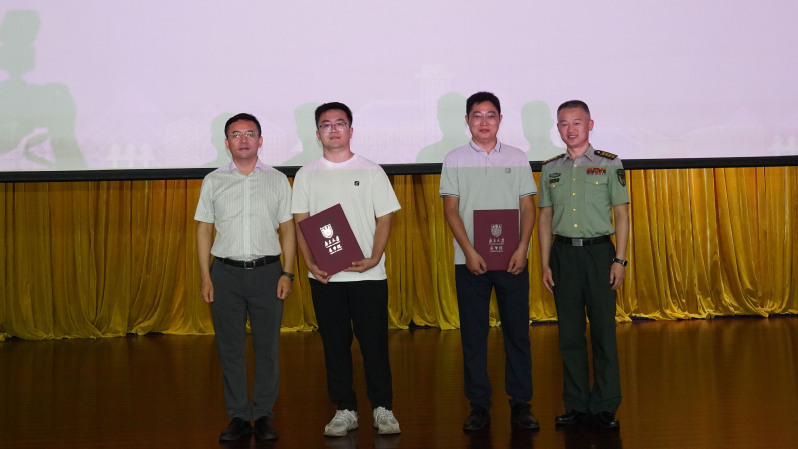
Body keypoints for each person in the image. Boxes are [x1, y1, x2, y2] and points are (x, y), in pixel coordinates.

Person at [292, 102, 402, 437]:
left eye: (340, 123)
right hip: (326, 277)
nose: (333, 129)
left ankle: (383, 408)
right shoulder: (306, 174)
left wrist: (375, 257)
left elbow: (386, 217)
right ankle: (345, 409)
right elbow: (300, 221)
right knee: (334, 346)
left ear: (351, 130)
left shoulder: (371, 170)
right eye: (326, 124)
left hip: (368, 274)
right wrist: (309, 262)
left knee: (374, 344)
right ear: (317, 133)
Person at [439, 91, 540, 431]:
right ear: (467, 120)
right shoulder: (454, 158)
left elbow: (527, 207)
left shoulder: (517, 157)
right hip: (470, 261)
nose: (484, 122)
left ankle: (521, 403)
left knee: (517, 334)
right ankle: (479, 406)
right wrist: (469, 251)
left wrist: (523, 248)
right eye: (477, 115)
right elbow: (450, 210)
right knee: (474, 336)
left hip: (513, 260)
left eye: (490, 115)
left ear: (500, 120)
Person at [195, 113, 296, 441]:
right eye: (236, 134)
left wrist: (288, 272)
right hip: (224, 274)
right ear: (227, 143)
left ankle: (263, 414)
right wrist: (205, 276)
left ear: (260, 140)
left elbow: (288, 229)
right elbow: (204, 229)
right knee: (230, 349)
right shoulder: (213, 180)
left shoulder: (277, 180)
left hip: (268, 273)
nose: (243, 139)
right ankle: (238, 416)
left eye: (250, 133)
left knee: (268, 349)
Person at [537, 100, 630, 430]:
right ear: (558, 128)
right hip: (563, 256)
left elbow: (622, 214)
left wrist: (619, 259)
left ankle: (605, 405)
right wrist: (545, 263)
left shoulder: (609, 163)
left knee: (604, 332)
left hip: (599, 255)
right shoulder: (551, 168)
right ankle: (576, 404)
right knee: (570, 335)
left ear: (590, 125)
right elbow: (545, 217)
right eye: (564, 123)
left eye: (577, 122)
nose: (570, 129)